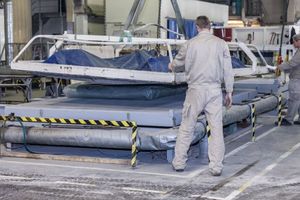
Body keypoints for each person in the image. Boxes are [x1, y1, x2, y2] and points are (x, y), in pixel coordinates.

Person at [169, 16, 234, 176]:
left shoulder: (190, 44)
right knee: (216, 129)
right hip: (214, 91)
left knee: (187, 127)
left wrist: (171, 66)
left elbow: (177, 64)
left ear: (197, 27)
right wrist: (229, 91)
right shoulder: (221, 44)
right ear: (210, 27)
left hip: (195, 90)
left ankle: (179, 163)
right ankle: (216, 167)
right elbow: (228, 70)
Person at [275, 33, 300, 126]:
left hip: (297, 80)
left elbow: (292, 63)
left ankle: (288, 119)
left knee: (294, 99)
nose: (293, 43)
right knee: (298, 99)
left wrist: (279, 67)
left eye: (294, 41)